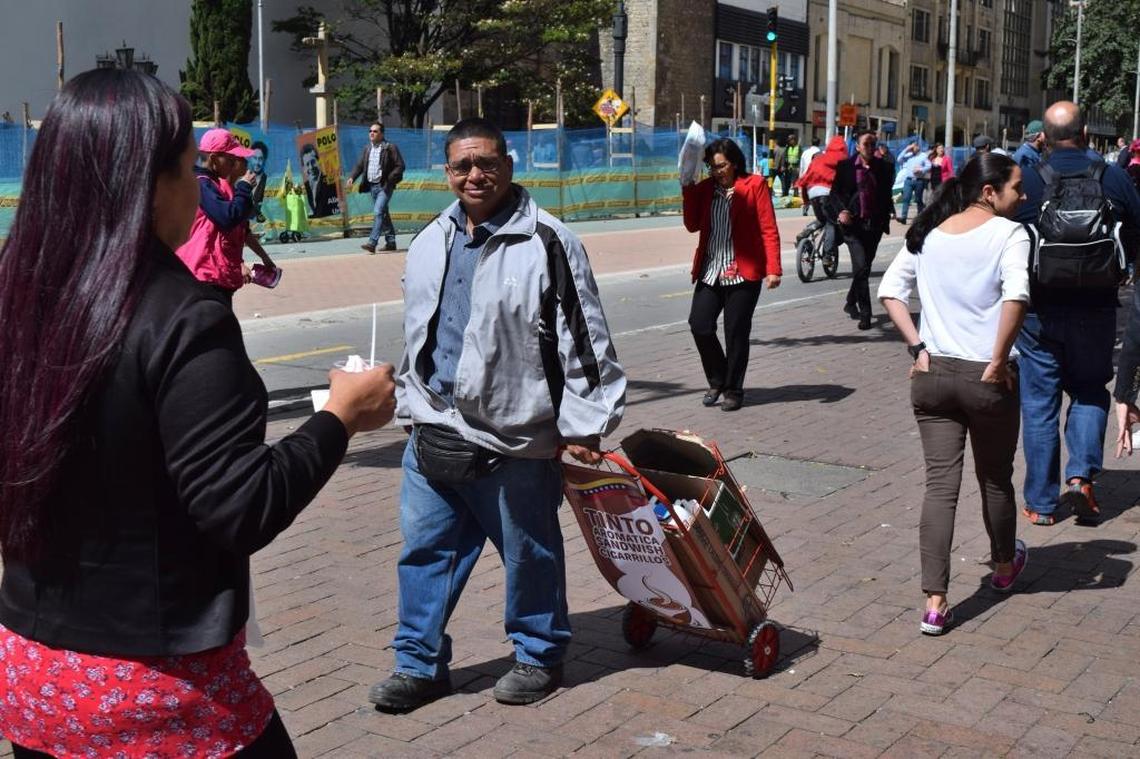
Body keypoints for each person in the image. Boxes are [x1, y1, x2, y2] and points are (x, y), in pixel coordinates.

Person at [0, 68, 397, 758]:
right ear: (150, 185)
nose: (200, 187)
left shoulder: (17, 295)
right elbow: (240, 505)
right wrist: (340, 415)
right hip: (151, 687)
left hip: (32, 674)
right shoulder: (185, 320)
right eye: (190, 168)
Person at [368, 117, 625, 714]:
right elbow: (420, 333)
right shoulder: (432, 237)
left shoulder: (549, 241)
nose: (475, 175)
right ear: (447, 172)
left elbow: (585, 341)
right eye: (462, 166)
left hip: (515, 434)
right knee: (425, 551)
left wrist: (585, 426)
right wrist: (410, 401)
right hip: (434, 424)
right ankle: (419, 665)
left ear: (509, 166)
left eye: (486, 163)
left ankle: (538, 653)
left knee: (528, 551)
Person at [878, 152, 1031, 635]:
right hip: (986, 378)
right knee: (995, 479)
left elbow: (890, 291)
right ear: (990, 192)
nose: (1022, 196)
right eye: (1016, 187)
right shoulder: (1010, 235)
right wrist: (998, 358)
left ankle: (935, 602)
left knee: (940, 487)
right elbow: (1017, 297)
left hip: (933, 376)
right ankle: (1004, 567)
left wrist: (918, 347)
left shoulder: (931, 233)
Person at [1012, 101, 1140, 526]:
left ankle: (1041, 504)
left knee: (1039, 404)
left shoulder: (1028, 178)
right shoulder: (1114, 177)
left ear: (1043, 138)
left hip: (1039, 312)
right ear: (1086, 134)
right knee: (1088, 391)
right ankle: (1081, 477)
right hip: (1097, 309)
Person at [681, 137, 782, 412]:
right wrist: (687, 189)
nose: (718, 172)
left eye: (722, 166)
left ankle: (734, 389)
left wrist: (773, 269)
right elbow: (691, 225)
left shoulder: (755, 185)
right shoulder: (705, 189)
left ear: (735, 163)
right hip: (711, 269)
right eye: (713, 168)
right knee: (699, 324)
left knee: (736, 332)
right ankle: (717, 379)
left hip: (743, 272)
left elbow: (768, 228)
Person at [175, 128, 277, 307]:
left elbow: (240, 231)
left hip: (217, 276)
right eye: (232, 160)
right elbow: (227, 218)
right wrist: (244, 188)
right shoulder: (201, 185)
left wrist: (262, 258)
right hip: (204, 276)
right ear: (214, 159)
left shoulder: (216, 186)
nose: (239, 163)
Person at [829, 129, 894, 330]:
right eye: (866, 144)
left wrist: (887, 215)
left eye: (873, 144)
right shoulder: (846, 167)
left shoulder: (883, 167)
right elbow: (835, 194)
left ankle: (850, 302)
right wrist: (841, 211)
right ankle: (866, 314)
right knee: (861, 268)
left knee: (863, 268)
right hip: (853, 226)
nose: (870, 148)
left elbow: (886, 194)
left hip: (874, 226)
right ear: (857, 146)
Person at [348, 122, 406, 253]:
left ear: (382, 134)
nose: (371, 133)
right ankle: (391, 242)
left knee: (378, 212)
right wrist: (352, 177)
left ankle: (372, 242)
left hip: (384, 187)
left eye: (375, 131)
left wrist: (390, 179)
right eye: (370, 131)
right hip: (372, 187)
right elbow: (360, 165)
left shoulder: (390, 147)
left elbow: (400, 166)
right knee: (383, 214)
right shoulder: (367, 149)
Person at [795, 135, 848, 263]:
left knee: (821, 219)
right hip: (827, 192)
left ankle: (805, 232)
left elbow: (805, 179)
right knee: (831, 223)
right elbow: (846, 183)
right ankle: (827, 255)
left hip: (812, 191)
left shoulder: (819, 158)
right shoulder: (842, 159)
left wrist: (806, 200)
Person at [300, 142, 341, 218]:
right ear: (304, 168)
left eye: (313, 162)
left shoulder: (330, 183)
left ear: (319, 161)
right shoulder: (306, 187)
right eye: (307, 164)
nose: (311, 167)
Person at [897, 143, 932, 224]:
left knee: (918, 199)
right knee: (906, 198)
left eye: (915, 146)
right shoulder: (908, 155)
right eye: (912, 146)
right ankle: (904, 217)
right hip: (908, 180)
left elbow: (929, 165)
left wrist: (921, 169)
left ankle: (920, 217)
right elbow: (899, 159)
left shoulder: (923, 155)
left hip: (919, 180)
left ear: (918, 147)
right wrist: (906, 149)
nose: (914, 148)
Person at [798, 137, 822, 215]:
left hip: (805, 175)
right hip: (816, 176)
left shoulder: (805, 152)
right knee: (815, 193)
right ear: (819, 143)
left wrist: (800, 177)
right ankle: (817, 210)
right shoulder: (821, 152)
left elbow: (801, 165)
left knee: (805, 194)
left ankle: (805, 206)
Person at [248, 140, 269, 221]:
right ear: (250, 158)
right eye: (255, 158)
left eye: (260, 159)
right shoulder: (242, 180)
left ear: (265, 160)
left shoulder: (268, 182)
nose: (257, 162)